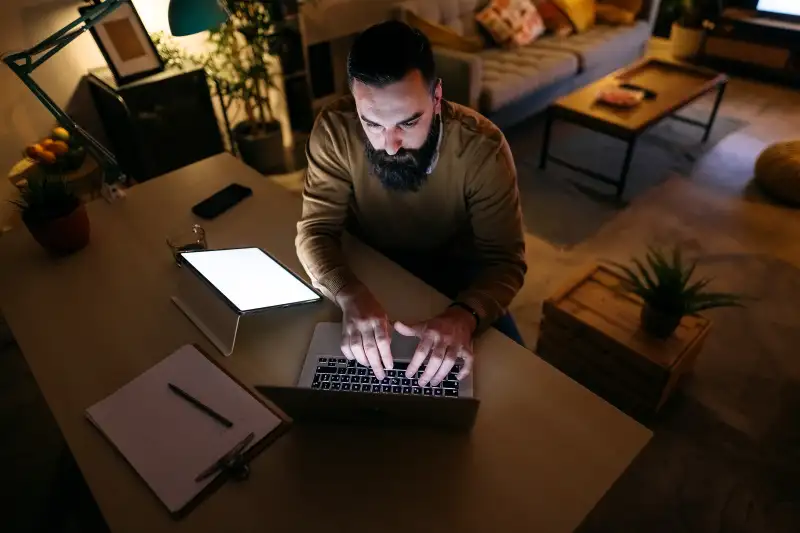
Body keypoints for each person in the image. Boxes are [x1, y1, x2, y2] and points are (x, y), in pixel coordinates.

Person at [296, 20, 526, 388]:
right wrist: (349, 293)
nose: (389, 144)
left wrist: (465, 315)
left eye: (408, 121)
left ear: (436, 98)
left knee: (519, 382)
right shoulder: (334, 130)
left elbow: (506, 263)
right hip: (367, 264)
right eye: (371, 123)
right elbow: (314, 231)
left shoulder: (483, 149)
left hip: (457, 274)